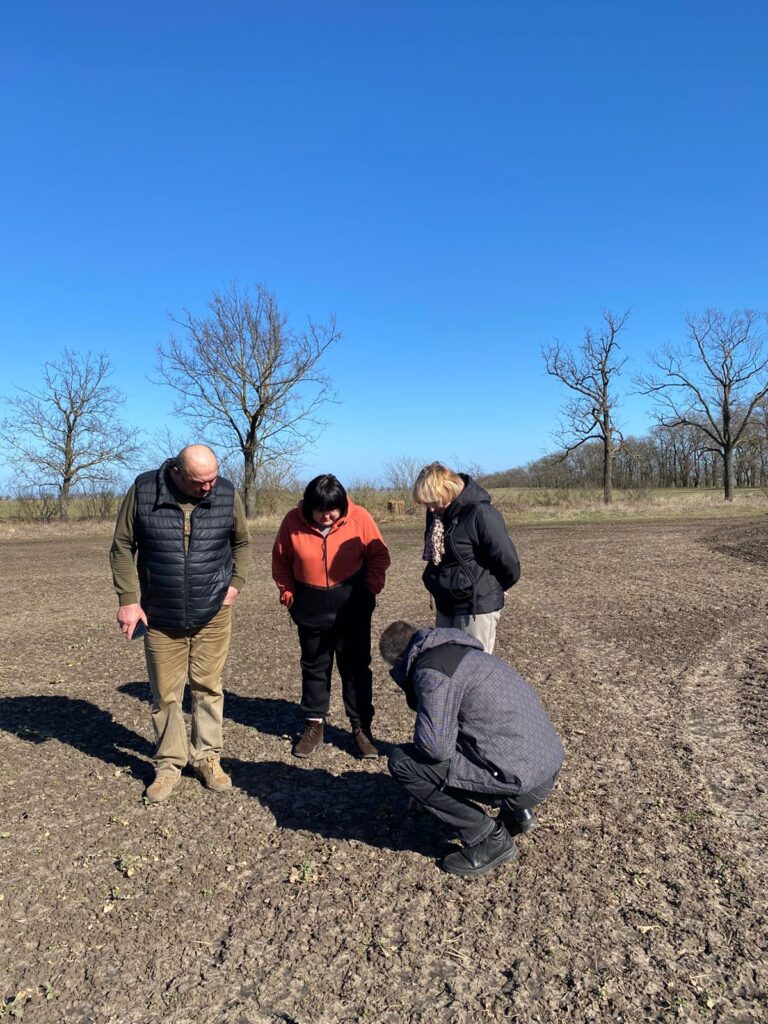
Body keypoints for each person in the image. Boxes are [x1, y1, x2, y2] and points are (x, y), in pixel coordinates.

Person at [110, 445, 250, 804]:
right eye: (200, 482)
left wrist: (236, 583)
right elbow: (122, 546)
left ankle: (207, 757)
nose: (208, 488)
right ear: (177, 471)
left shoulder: (227, 492)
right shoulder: (143, 491)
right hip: (160, 613)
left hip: (214, 612)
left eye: (213, 479)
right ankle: (169, 764)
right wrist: (128, 599)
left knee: (208, 686)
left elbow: (242, 542)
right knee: (166, 694)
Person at [380, 620, 564, 878]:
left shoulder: (432, 672)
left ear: (398, 662)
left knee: (403, 762)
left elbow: (435, 749)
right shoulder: (462, 651)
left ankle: (489, 839)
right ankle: (517, 815)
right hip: (545, 767)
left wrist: (426, 788)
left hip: (521, 783)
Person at [272, 474, 391, 759]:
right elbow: (280, 560)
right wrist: (289, 595)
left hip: (352, 607)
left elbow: (379, 555)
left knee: (356, 669)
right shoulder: (291, 521)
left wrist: (370, 588)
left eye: (334, 509)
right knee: (313, 667)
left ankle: (361, 728)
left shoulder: (360, 517)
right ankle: (314, 726)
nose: (328, 515)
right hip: (309, 606)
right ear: (308, 506)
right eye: (321, 509)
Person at [412, 462, 520, 654]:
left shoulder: (481, 513)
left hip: (476, 606)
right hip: (446, 604)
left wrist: (497, 586)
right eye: (425, 503)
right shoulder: (437, 514)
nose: (429, 509)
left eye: (432, 501)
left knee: (473, 671)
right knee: (447, 668)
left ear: (447, 489)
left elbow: (508, 560)